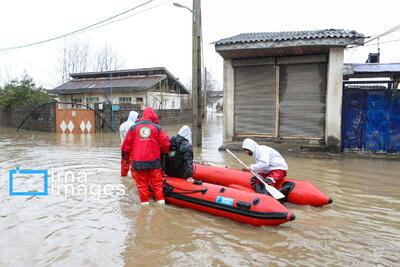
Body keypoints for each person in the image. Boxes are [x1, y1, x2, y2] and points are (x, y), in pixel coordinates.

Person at [121, 107, 170, 206]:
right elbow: (165, 143)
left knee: (142, 186)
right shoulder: (157, 128)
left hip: (138, 162)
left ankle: (145, 208)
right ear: (153, 116)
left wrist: (125, 159)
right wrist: (165, 152)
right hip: (154, 162)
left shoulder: (133, 128)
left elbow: (125, 146)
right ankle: (161, 206)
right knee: (157, 185)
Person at [119, 111, 139, 176]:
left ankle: (123, 179)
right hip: (132, 148)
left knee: (124, 165)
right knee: (133, 166)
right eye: (137, 117)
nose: (138, 119)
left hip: (123, 148)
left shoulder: (122, 125)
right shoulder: (134, 126)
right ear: (134, 117)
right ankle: (134, 181)